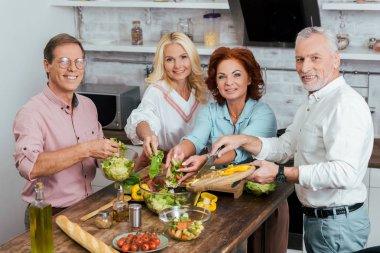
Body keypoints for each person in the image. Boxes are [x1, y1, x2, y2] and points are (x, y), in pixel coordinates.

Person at [211, 27, 374, 253]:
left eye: (314, 58)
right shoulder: (315, 102)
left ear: (336, 59)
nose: (305, 67)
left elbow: (344, 172)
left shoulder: (344, 104)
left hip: (336, 226)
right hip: (322, 222)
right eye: (300, 59)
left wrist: (280, 173)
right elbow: (286, 146)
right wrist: (242, 140)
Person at [166, 47, 289, 253]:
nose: (228, 82)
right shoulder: (211, 112)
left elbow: (241, 152)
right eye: (222, 77)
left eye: (236, 75)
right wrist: (181, 149)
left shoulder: (263, 113)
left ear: (250, 78)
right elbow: (195, 140)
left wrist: (206, 159)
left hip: (261, 202)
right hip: (221, 199)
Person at [13, 33, 120, 229]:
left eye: (79, 61)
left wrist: (116, 158)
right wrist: (86, 149)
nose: (73, 68)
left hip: (87, 209)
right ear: (47, 65)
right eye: (64, 61)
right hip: (48, 214)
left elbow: (98, 158)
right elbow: (30, 167)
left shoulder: (88, 106)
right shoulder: (31, 112)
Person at [125, 32, 208, 170]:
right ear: (162, 63)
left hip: (200, 164)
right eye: (170, 59)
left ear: (192, 57)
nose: (178, 65)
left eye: (183, 57)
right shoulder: (157, 90)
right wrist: (148, 135)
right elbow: (142, 116)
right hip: (166, 167)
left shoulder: (203, 89)